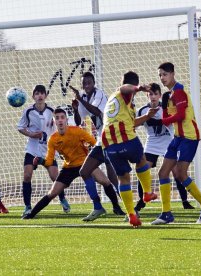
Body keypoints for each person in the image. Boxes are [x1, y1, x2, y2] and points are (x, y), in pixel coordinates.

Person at [151, 62, 201, 225]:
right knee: (163, 173)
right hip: (178, 137)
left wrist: (164, 117)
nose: (162, 78)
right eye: (160, 75)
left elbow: (180, 116)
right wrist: (164, 107)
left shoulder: (179, 92)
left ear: (172, 74)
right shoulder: (169, 95)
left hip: (189, 137)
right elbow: (167, 122)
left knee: (180, 173)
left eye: (164, 74)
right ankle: (166, 214)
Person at [23, 108, 107, 220]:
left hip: (84, 163)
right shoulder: (53, 139)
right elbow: (49, 161)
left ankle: (115, 208)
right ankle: (31, 214)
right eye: (57, 118)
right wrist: (40, 160)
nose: (60, 120)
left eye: (62, 117)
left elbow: (94, 143)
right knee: (52, 193)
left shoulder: (77, 131)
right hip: (68, 167)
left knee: (105, 181)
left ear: (66, 119)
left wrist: (94, 154)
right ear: (54, 121)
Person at [102, 71, 158, 228]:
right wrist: (139, 87)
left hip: (108, 143)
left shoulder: (117, 103)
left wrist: (147, 116)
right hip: (125, 137)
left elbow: (132, 122)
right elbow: (125, 88)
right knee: (141, 160)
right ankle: (147, 192)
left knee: (124, 178)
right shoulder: (123, 93)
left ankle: (131, 215)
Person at [70, 71, 126, 221]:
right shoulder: (82, 97)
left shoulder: (99, 94)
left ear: (93, 83)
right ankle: (98, 207)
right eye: (84, 83)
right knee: (84, 171)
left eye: (89, 82)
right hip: (102, 139)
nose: (86, 86)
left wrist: (80, 100)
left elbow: (95, 111)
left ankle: (130, 209)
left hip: (111, 136)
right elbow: (77, 121)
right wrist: (75, 108)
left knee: (114, 176)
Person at [134, 83, 194, 212]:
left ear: (160, 95)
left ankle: (185, 201)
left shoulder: (166, 108)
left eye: (156, 94)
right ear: (147, 95)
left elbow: (165, 121)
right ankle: (141, 200)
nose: (153, 96)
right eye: (151, 94)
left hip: (168, 142)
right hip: (152, 143)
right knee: (142, 169)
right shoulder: (143, 110)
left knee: (177, 173)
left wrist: (150, 118)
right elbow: (135, 124)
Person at [17, 85, 70, 217]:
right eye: (37, 94)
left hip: (48, 149)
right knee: (27, 175)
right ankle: (27, 206)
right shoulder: (28, 111)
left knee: (55, 177)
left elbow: (59, 125)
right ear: (33, 96)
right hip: (32, 149)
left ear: (45, 95)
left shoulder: (52, 110)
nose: (39, 96)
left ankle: (62, 199)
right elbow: (20, 127)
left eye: (42, 93)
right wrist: (31, 134)